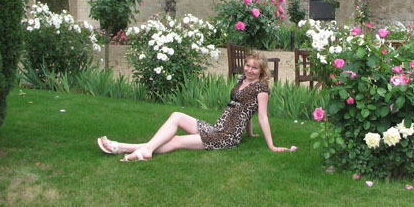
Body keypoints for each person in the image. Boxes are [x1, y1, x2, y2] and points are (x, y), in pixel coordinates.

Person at [97, 51, 292, 161]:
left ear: (262, 71)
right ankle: (139, 149)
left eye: (254, 68)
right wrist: (250, 133)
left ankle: (123, 147)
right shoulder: (242, 80)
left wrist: (271, 145)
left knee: (177, 141)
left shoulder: (261, 88)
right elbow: (244, 110)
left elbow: (261, 115)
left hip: (226, 136)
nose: (249, 70)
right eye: (247, 65)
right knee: (176, 115)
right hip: (217, 128)